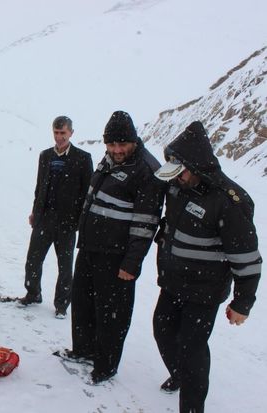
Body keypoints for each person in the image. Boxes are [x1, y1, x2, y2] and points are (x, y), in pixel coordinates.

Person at [152, 121, 261, 413]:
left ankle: (192, 405)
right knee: (162, 330)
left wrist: (243, 302)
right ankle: (180, 375)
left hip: (204, 290)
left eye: (181, 171)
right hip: (174, 282)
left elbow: (247, 258)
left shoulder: (229, 201)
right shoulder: (178, 186)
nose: (176, 178)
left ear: (197, 166)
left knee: (192, 350)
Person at [60, 110, 165, 384]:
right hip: (92, 245)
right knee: (83, 301)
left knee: (112, 313)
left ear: (133, 141)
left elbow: (145, 224)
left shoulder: (147, 171)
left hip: (117, 255)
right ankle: (84, 349)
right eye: (112, 144)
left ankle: (106, 364)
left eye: (122, 144)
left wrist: (132, 263)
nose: (117, 150)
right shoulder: (109, 159)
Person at [19, 116, 93, 318]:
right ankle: (33, 293)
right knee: (33, 260)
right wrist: (35, 212)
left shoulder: (83, 158)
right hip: (44, 218)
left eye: (63, 133)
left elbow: (87, 193)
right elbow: (39, 187)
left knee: (65, 266)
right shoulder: (45, 156)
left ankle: (62, 304)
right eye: (56, 133)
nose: (59, 137)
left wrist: (80, 221)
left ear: (71, 133)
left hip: (67, 222)